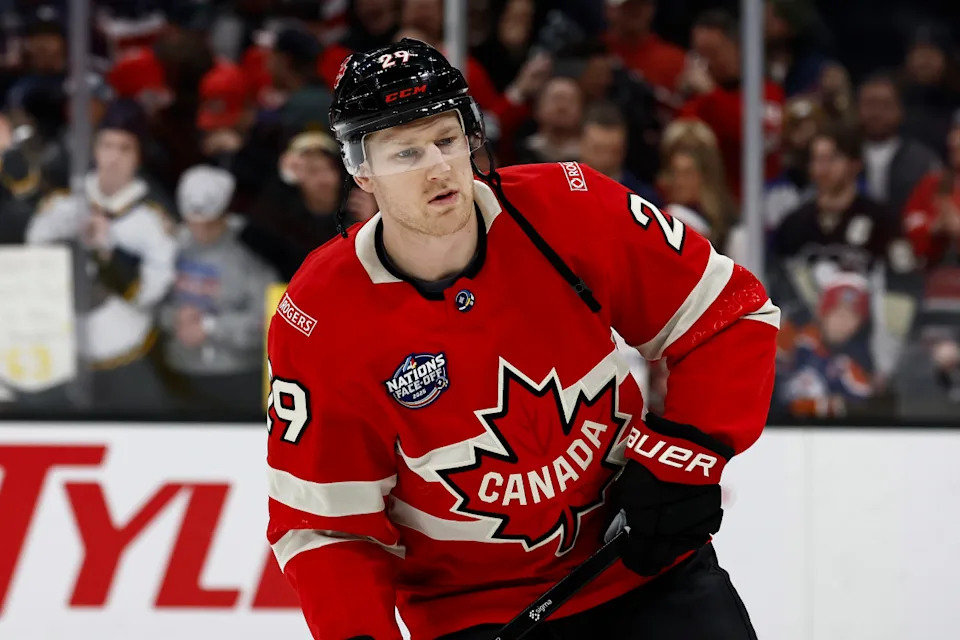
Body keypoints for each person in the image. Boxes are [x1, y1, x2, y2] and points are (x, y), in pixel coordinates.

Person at [265, 38, 779, 640]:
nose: (436, 166)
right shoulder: (320, 315)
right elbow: (328, 525)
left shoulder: (570, 207)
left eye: (448, 139)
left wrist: (683, 460)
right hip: (477, 612)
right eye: (404, 151)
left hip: (638, 565)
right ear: (361, 170)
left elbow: (728, 314)